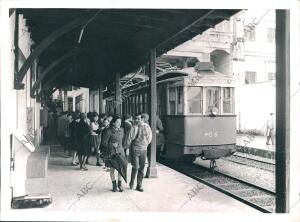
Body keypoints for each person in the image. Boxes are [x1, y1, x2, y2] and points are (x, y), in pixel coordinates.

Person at [101, 115, 126, 192]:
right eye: (118, 122)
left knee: (120, 169)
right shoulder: (108, 131)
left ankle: (120, 184)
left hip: (120, 152)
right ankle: (114, 185)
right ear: (113, 123)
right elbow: (104, 143)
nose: (119, 123)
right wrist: (111, 144)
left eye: (120, 122)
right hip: (111, 152)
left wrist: (124, 149)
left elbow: (123, 141)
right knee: (112, 170)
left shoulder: (122, 130)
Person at [129, 113, 152, 192]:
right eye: (136, 119)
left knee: (142, 168)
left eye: (138, 119)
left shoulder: (147, 127)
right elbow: (131, 137)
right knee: (135, 166)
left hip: (143, 149)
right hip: (135, 148)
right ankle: (132, 181)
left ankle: (139, 185)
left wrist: (145, 144)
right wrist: (134, 128)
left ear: (142, 119)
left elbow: (150, 138)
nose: (137, 120)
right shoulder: (134, 127)